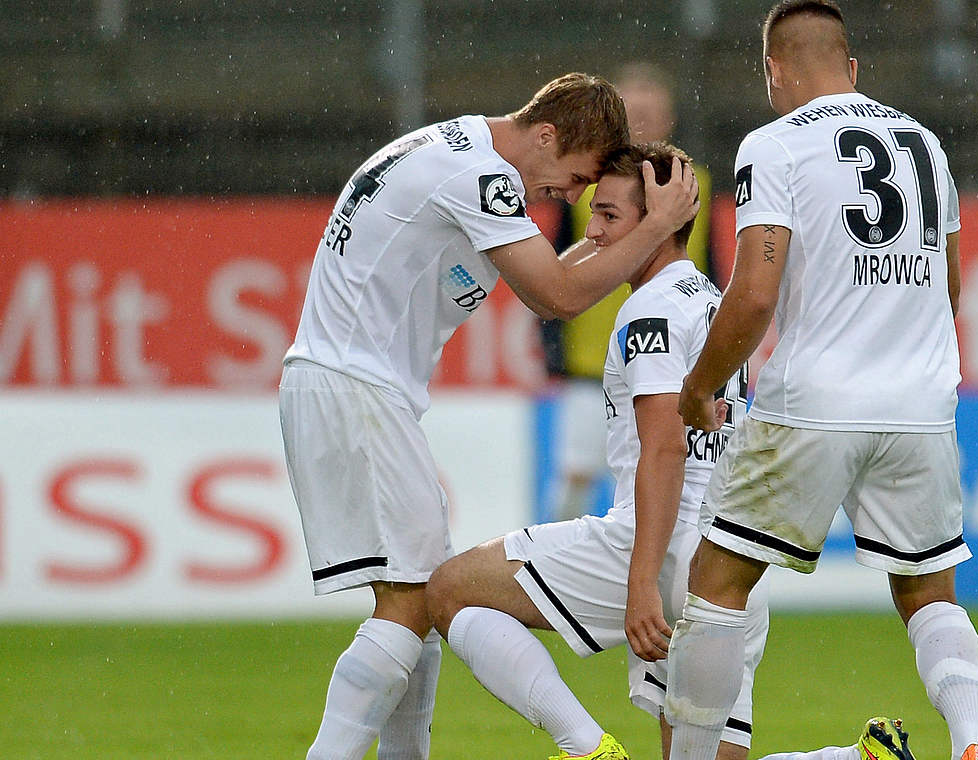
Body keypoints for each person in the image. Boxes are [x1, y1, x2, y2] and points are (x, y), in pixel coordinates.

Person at [279, 72, 699, 760]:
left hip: (346, 385)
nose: (567, 196)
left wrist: (631, 227)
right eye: (573, 177)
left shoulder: (456, 152)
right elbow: (558, 296)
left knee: (419, 599)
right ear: (545, 135)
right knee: (416, 603)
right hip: (357, 389)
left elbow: (548, 276)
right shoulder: (483, 178)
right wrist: (655, 225)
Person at [663, 3, 978, 760]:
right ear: (852, 68)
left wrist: (698, 384)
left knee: (717, 582)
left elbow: (752, 295)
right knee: (927, 593)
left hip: (815, 400)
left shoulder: (772, 146)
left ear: (774, 70)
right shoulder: (924, 144)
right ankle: (972, 743)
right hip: (921, 404)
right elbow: (950, 285)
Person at [424, 142, 768, 760]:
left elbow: (665, 449)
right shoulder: (712, 303)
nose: (595, 230)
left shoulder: (651, 312)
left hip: (655, 546)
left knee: (450, 590)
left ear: (659, 223)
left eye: (609, 215)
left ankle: (584, 745)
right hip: (727, 561)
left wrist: (642, 581)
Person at [541, 61, 717, 521]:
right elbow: (552, 268)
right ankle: (563, 572)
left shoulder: (694, 184)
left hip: (666, 364)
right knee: (576, 477)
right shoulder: (589, 188)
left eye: (651, 114)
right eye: (632, 114)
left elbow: (712, 268)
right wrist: (552, 347)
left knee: (663, 472)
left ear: (669, 121)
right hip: (591, 364)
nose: (642, 124)